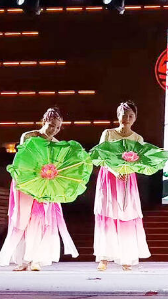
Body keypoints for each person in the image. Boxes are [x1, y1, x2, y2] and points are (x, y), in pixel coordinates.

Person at [0, 108, 78, 271]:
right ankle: (22, 260)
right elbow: (22, 160)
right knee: (22, 219)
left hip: (45, 184)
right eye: (51, 125)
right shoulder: (29, 136)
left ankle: (35, 259)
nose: (54, 130)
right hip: (26, 182)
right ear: (44, 122)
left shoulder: (56, 143)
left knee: (39, 218)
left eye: (57, 127)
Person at [94, 101, 151, 271]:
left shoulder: (137, 138)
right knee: (107, 214)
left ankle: (127, 258)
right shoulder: (108, 133)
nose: (127, 118)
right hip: (108, 177)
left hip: (127, 178)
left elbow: (140, 162)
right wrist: (114, 170)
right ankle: (104, 258)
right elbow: (100, 156)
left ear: (135, 118)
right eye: (124, 115)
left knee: (127, 215)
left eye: (130, 116)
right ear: (118, 116)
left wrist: (128, 169)